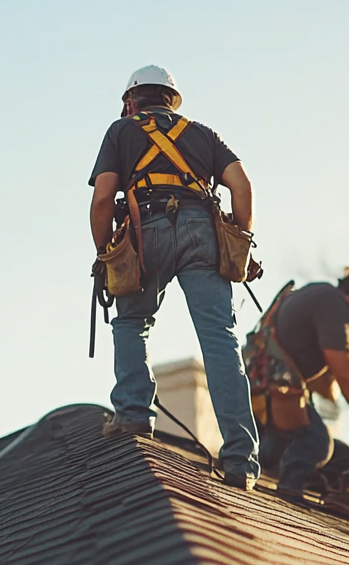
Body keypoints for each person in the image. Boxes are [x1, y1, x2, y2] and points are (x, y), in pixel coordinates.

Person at [89, 65, 260, 489]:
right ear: (171, 99)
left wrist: (105, 252)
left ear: (132, 100)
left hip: (146, 233)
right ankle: (240, 458)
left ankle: (133, 416)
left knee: (131, 321)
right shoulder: (203, 134)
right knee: (219, 336)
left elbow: (102, 199)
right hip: (202, 231)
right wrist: (240, 240)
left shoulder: (121, 131)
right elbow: (242, 186)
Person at [248, 266, 349, 499]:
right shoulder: (332, 302)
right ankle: (288, 496)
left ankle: (269, 458)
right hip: (274, 393)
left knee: (345, 459)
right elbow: (345, 371)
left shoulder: (320, 297)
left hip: (269, 398)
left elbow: (330, 385)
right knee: (317, 443)